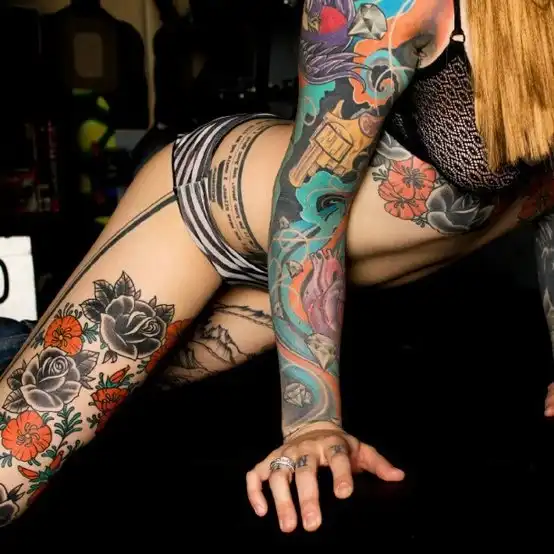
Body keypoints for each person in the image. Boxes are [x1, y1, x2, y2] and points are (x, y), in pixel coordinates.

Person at [1, 0, 554, 535]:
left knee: (104, 413)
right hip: (206, 225)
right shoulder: (391, 4)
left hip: (301, 289)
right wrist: (313, 423)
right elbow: (309, 206)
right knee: (14, 467)